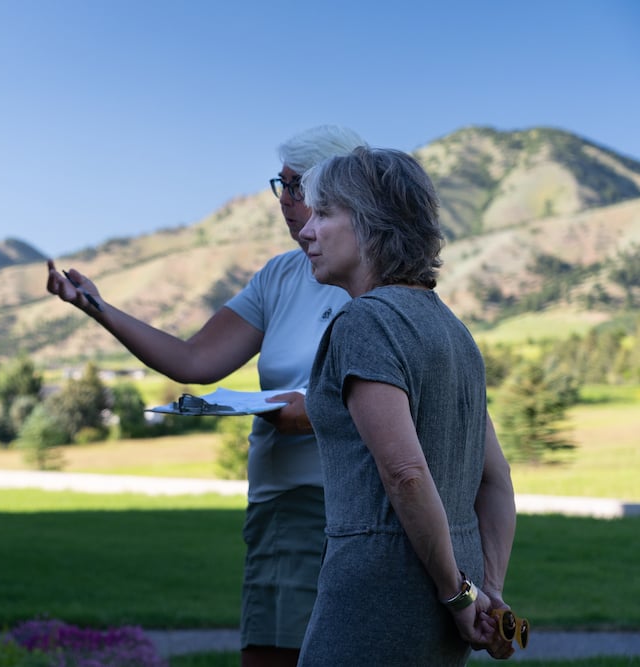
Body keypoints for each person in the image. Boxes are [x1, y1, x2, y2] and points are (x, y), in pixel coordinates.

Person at [46, 125, 366, 667]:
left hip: (342, 505)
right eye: (280, 186)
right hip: (273, 504)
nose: (283, 201)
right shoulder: (281, 276)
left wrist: (315, 410)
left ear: (336, 190)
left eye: (295, 187)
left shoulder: (378, 276)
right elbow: (195, 361)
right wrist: (95, 307)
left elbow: (393, 391)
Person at [294, 146, 517, 665]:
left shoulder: (364, 324)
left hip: (384, 586)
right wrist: (487, 589)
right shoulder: (454, 331)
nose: (307, 230)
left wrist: (458, 595)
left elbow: (406, 474)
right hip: (453, 583)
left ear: (373, 224)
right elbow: (496, 478)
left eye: (325, 212)